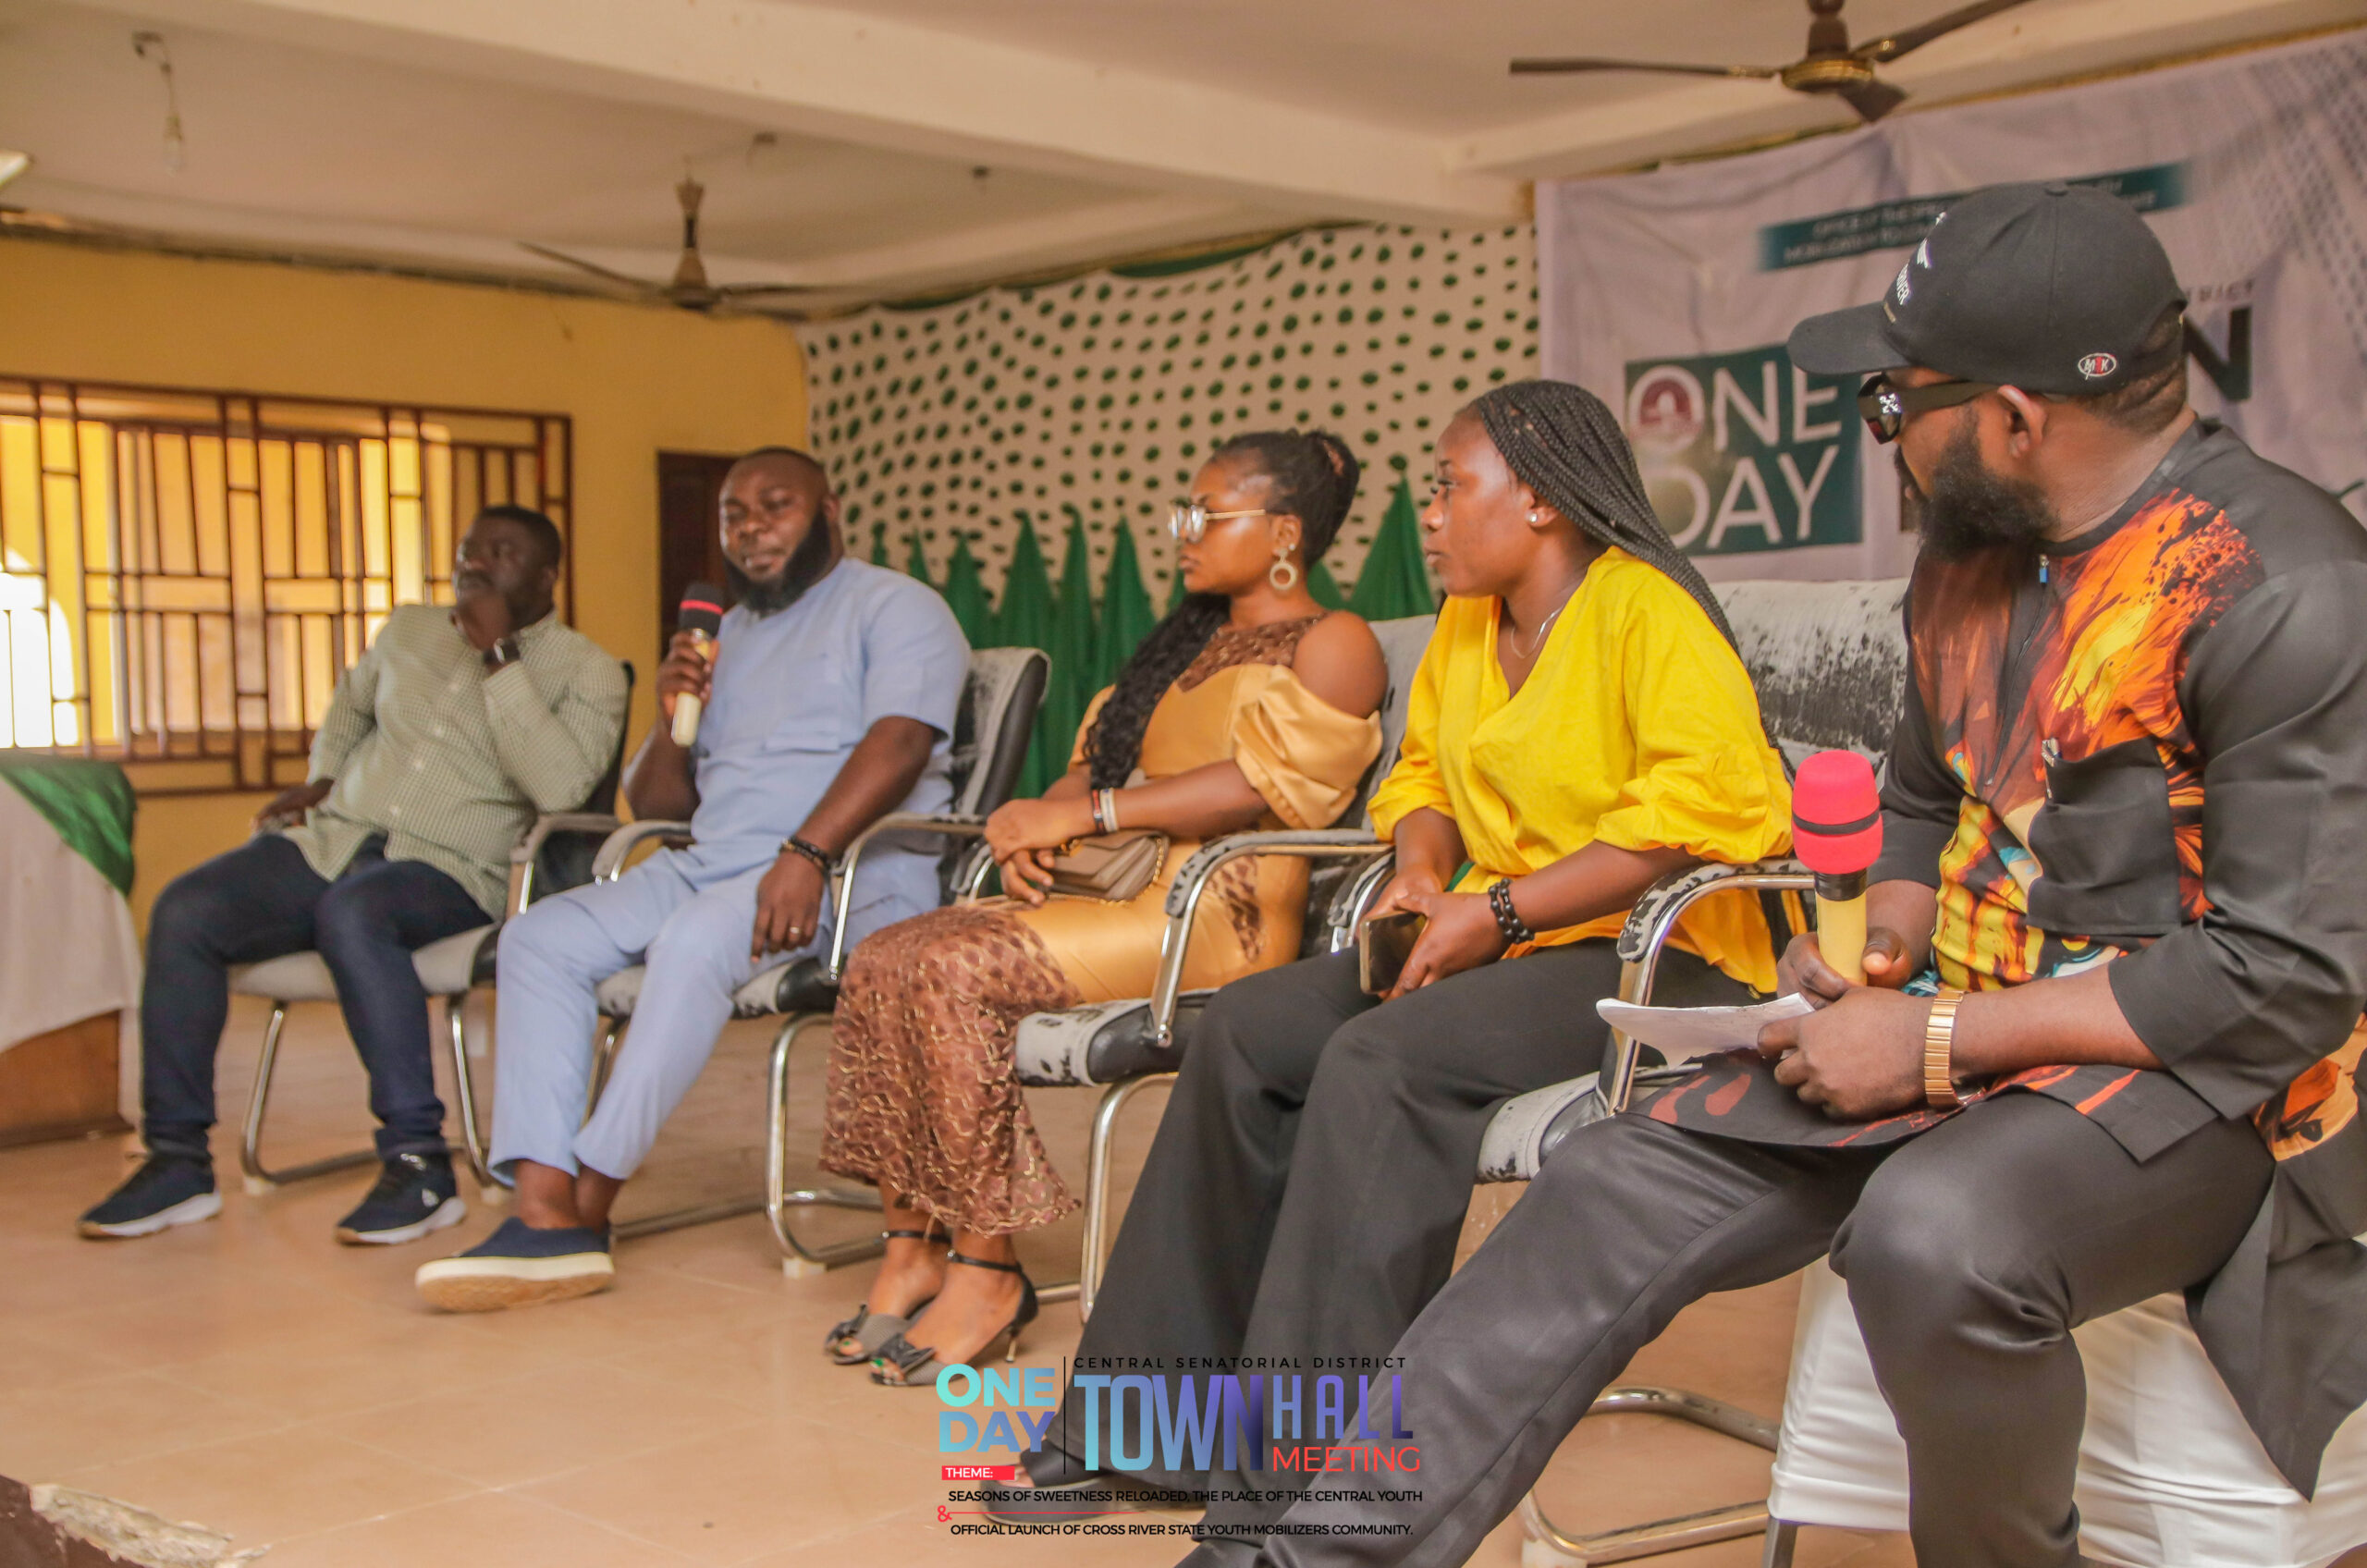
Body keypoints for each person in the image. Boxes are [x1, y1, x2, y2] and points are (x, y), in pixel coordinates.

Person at [1238, 182, 2367, 1568]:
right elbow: (1921, 792)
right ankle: (1297, 1556)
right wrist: (1885, 939)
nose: (1875, 431)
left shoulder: (2284, 584)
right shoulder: (1968, 553)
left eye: (1895, 403)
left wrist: (1936, 1035)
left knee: (1934, 1233)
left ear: (2015, 418)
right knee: (1610, 1170)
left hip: (2216, 1085)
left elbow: (2288, 979)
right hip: (1963, 1030)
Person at [987, 379, 1795, 1544]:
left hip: (1657, 953)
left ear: (1539, 503)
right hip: (1499, 929)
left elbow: (1696, 815)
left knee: (1381, 1064)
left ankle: (1293, 1502)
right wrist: (1423, 872)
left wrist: (1503, 913)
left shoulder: (1645, 613)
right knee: (1248, 1031)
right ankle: (1139, 1432)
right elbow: (1420, 781)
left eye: (1447, 486)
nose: (1425, 512)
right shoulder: (1472, 623)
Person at [819, 430, 1389, 1387]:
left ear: (1284, 530)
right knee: (884, 954)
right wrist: (1037, 822)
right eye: (1183, 511)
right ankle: (910, 1246)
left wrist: (1086, 811)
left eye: (1207, 513)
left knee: (949, 970)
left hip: (1214, 912)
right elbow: (1097, 759)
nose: (1184, 531)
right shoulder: (1182, 643)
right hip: (1116, 891)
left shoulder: (1334, 641)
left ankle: (987, 1268)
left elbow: (1255, 786)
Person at [414, 446, 968, 1312]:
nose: (751, 531)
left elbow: (899, 744)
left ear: (829, 511)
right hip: (715, 862)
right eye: (734, 517)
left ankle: (587, 1202)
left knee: (695, 940)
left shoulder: (897, 607)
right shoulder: (730, 633)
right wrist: (677, 716)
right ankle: (542, 1202)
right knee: (537, 937)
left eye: (775, 508)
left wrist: (807, 855)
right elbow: (657, 798)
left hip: (848, 874)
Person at [78, 506, 628, 1246]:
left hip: (454, 868)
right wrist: (324, 776)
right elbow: (349, 710)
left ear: (547, 576)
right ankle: (177, 1162)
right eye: (469, 552)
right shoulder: (407, 628)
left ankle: (418, 1164)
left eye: (501, 554)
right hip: (335, 840)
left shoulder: (587, 671)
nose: (476, 566)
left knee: (355, 914)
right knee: (185, 910)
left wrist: (501, 659)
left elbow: (562, 787)